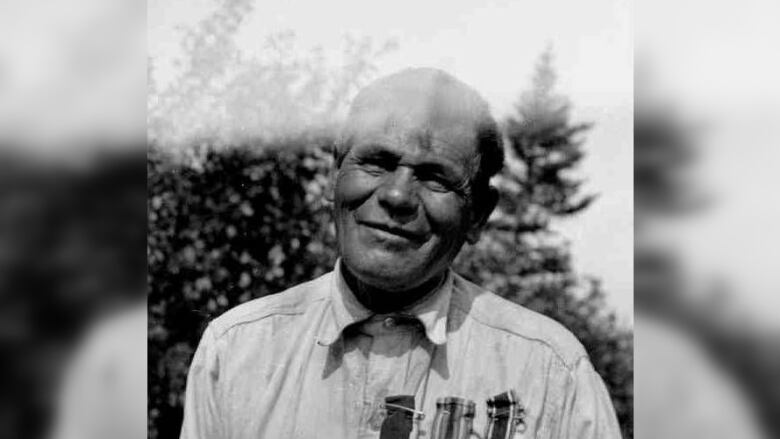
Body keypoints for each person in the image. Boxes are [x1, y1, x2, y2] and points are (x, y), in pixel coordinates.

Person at [180, 68, 621, 438]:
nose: (396, 196)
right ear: (335, 177)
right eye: (377, 161)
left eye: (436, 178)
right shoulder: (236, 351)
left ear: (479, 215)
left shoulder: (549, 371)